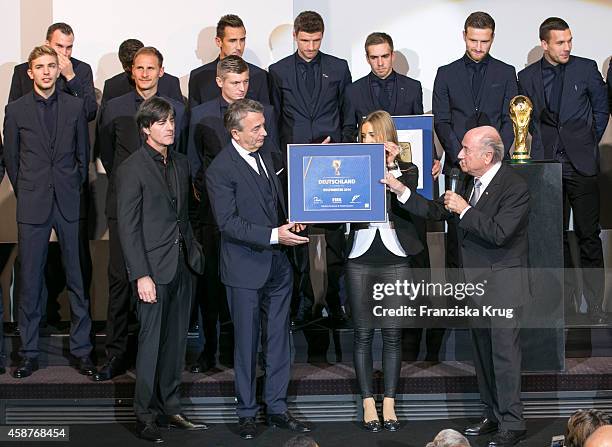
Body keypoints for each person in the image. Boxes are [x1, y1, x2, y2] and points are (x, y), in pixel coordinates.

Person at [382, 126, 529, 446]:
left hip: (502, 285)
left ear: (487, 156)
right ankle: (492, 413)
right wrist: (399, 189)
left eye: (465, 149)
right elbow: (435, 210)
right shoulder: (466, 181)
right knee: (482, 354)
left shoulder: (514, 186)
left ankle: (513, 424)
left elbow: (500, 232)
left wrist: (465, 209)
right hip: (474, 287)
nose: (459, 154)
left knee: (504, 356)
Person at [206, 99, 311, 440]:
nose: (265, 132)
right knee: (247, 344)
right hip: (244, 269)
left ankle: (277, 408)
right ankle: (247, 412)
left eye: (264, 126)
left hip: (279, 265)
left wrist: (289, 225)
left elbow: (275, 203)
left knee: (280, 341)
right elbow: (228, 223)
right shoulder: (219, 169)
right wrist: (272, 235)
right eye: (256, 128)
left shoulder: (268, 155)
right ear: (235, 133)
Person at [115, 97, 207, 442]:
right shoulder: (132, 168)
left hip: (183, 266)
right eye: (161, 122)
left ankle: (171, 408)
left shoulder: (181, 163)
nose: (169, 126)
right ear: (145, 129)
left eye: (171, 120)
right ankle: (145, 415)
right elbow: (128, 226)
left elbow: (184, 216)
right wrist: (141, 274)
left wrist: (193, 253)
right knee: (151, 344)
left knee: (175, 344)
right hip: (152, 271)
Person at [95, 46, 188, 382]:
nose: (145, 74)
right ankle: (116, 355)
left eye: (151, 68)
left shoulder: (174, 110)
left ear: (161, 71)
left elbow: (180, 154)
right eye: (139, 68)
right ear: (131, 71)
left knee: (162, 286)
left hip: (163, 217)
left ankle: (158, 360)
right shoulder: (115, 108)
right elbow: (107, 153)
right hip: (124, 211)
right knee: (121, 282)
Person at [3, 45, 95, 379]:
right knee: (30, 280)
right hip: (33, 202)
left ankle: (82, 351)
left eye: (51, 66)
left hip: (69, 200)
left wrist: (70, 187)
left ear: (59, 69)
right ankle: (28, 353)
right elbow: (12, 161)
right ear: (30, 73)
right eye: (39, 66)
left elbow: (83, 157)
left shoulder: (74, 106)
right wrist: (29, 189)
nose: (45, 71)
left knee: (77, 278)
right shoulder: (15, 110)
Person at [187, 55, 281, 374]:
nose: (241, 88)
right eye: (235, 83)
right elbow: (192, 161)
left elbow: (272, 157)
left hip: (255, 212)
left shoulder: (261, 113)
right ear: (219, 82)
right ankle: (208, 350)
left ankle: (244, 355)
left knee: (249, 287)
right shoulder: (200, 115)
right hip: (214, 212)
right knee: (213, 284)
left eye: (245, 82)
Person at [518, 17, 609, 323]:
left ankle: (596, 306)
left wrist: (586, 141)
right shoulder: (526, 76)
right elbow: (527, 119)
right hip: (546, 167)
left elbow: (601, 108)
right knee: (553, 238)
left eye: (569, 40)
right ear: (544, 44)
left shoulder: (586, 68)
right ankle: (566, 304)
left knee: (588, 236)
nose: (567, 46)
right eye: (560, 42)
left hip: (581, 165)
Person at [269, 10, 352, 326]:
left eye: (316, 40)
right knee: (296, 238)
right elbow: (274, 121)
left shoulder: (338, 68)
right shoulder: (276, 72)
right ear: (294, 36)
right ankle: (301, 305)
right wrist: (280, 164)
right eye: (305, 40)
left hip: (333, 167)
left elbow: (347, 116)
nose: (311, 46)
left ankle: (337, 303)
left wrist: (341, 148)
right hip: (293, 169)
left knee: (334, 240)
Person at [347, 111, 425, 432]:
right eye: (362, 135)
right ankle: (368, 402)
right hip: (360, 254)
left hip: (394, 254)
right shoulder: (353, 165)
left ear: (385, 137)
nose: (366, 141)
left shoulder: (407, 169)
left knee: (392, 334)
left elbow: (406, 199)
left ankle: (389, 402)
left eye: (371, 136)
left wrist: (392, 166)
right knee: (363, 333)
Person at [433, 11, 517, 279]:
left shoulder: (506, 72)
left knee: (492, 232)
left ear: (492, 39)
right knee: (457, 235)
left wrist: (492, 159)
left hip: (494, 170)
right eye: (473, 40)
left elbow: (510, 119)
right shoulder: (445, 74)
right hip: (458, 168)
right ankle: (457, 307)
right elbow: (442, 121)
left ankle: (491, 300)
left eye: (485, 41)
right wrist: (462, 156)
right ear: (464, 37)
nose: (479, 47)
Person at [9, 22, 97, 121]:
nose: (64, 53)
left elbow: (90, 112)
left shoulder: (82, 69)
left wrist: (71, 77)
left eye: (69, 47)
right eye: (59, 46)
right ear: (47, 44)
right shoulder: (22, 71)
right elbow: (12, 113)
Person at [188, 14, 270, 108]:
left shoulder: (259, 75)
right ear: (219, 42)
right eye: (232, 41)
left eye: (242, 40)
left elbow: (266, 115)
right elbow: (194, 117)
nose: (239, 47)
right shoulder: (199, 77)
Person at [101, 39, 183, 104]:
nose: (144, 74)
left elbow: (179, 116)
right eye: (126, 66)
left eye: (138, 66)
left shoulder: (171, 83)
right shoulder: (112, 86)